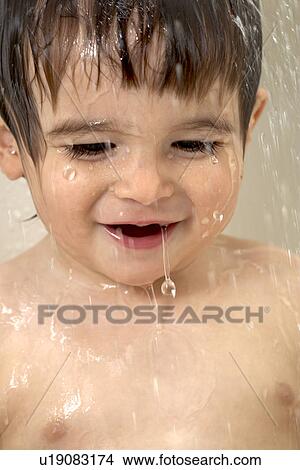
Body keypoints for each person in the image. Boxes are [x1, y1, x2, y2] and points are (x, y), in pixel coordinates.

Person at [0, 0, 299, 450]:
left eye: (194, 143)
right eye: (92, 147)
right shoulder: (7, 332)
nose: (145, 187)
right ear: (10, 146)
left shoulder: (289, 296)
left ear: (249, 128)